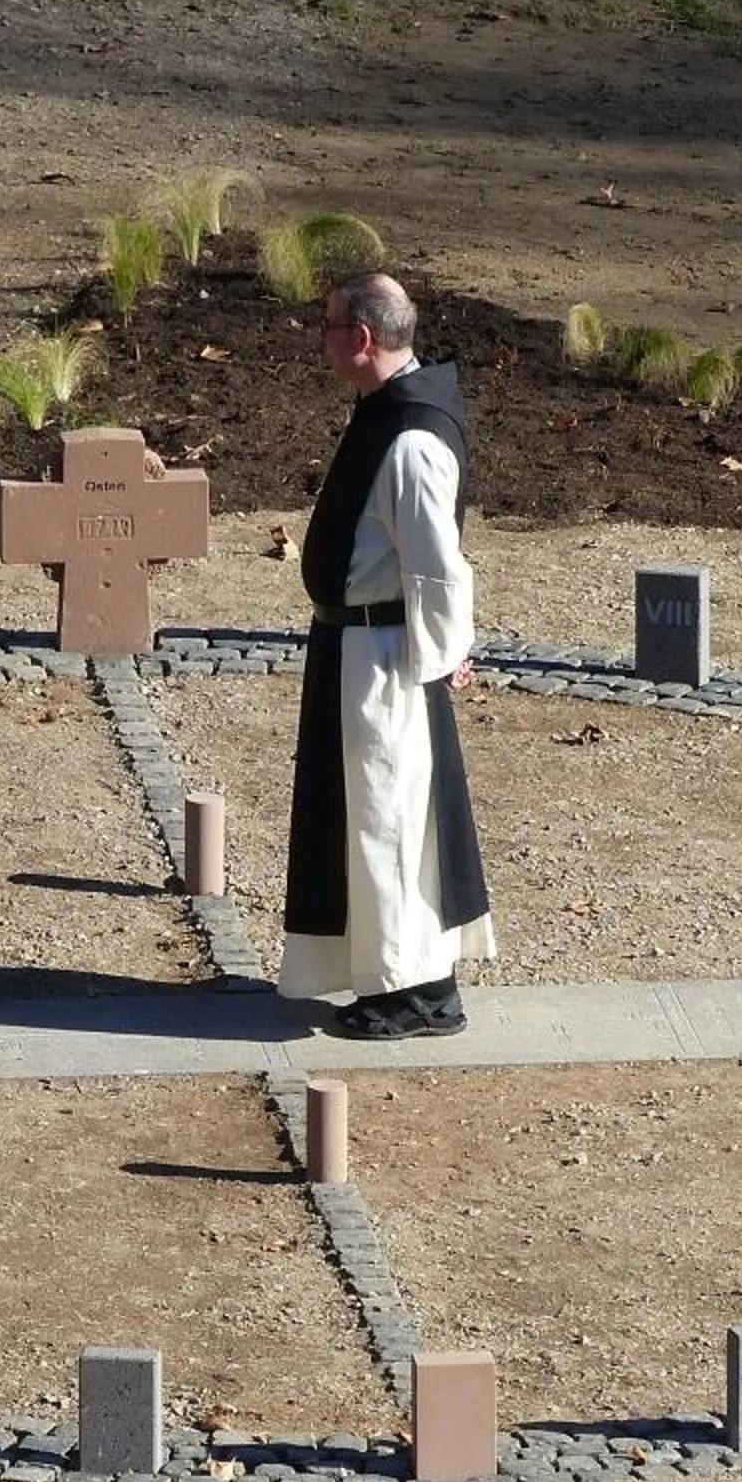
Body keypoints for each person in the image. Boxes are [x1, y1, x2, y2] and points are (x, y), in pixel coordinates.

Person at [277, 271, 495, 1039]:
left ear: (361, 339)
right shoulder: (387, 415)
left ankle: (413, 995)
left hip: (385, 656)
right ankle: (396, 980)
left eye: (330, 325)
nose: (323, 338)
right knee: (373, 813)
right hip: (359, 645)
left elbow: (437, 563)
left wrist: (440, 656)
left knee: (389, 818)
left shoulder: (409, 440)